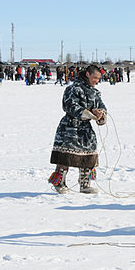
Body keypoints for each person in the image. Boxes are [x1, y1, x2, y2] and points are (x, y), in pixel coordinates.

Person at [48, 65, 106, 194]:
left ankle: (85, 184)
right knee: (65, 156)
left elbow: (102, 106)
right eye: (95, 78)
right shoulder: (73, 89)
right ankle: (59, 183)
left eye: (98, 78)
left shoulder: (95, 93)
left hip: (86, 128)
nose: (97, 81)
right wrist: (90, 113)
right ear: (87, 75)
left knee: (89, 155)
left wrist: (100, 114)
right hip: (70, 126)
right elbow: (69, 106)